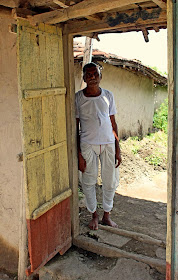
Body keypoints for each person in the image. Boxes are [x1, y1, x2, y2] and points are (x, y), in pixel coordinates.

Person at [75, 62, 121, 230]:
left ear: (100, 76)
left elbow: (114, 124)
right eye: (88, 74)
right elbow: (75, 126)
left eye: (95, 73)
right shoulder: (78, 98)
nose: (92, 76)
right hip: (88, 145)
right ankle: (94, 215)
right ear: (84, 77)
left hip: (108, 144)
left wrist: (118, 149)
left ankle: (106, 215)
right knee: (88, 181)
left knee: (110, 182)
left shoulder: (108, 96)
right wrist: (78, 153)